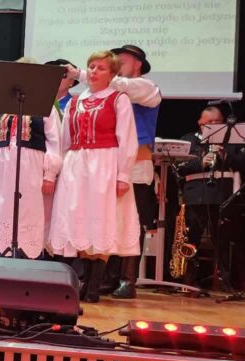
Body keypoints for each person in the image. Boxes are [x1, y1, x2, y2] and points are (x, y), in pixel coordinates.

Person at [67, 44, 160, 299]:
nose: (118, 64)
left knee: (129, 220)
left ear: (138, 63)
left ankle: (127, 280)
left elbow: (122, 86)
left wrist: (80, 73)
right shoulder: (101, 95)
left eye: (122, 60)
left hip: (134, 164)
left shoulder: (146, 87)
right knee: (104, 219)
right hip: (103, 164)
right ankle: (103, 280)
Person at [47, 50, 140, 303]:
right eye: (91, 67)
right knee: (78, 220)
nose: (94, 72)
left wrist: (123, 175)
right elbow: (65, 140)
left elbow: (127, 139)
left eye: (100, 68)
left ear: (112, 74)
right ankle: (81, 283)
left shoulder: (118, 99)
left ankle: (93, 287)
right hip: (76, 165)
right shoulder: (76, 101)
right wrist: (60, 170)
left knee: (101, 220)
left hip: (104, 165)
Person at [0, 57, 62, 259]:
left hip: (30, 166)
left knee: (27, 211)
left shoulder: (45, 104)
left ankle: (25, 257)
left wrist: (50, 174)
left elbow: (54, 141)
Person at [176, 106, 245, 289]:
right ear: (200, 123)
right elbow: (179, 166)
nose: (215, 125)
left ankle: (226, 281)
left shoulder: (231, 141)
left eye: (218, 122)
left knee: (224, 240)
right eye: (210, 122)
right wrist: (201, 162)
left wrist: (225, 155)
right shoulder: (189, 140)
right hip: (196, 195)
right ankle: (189, 281)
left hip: (223, 196)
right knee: (191, 238)